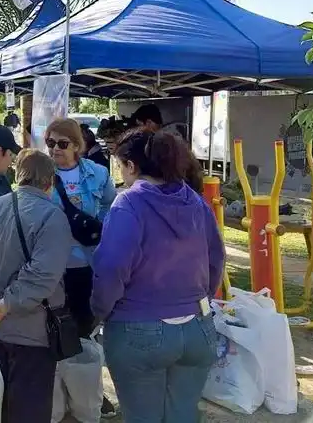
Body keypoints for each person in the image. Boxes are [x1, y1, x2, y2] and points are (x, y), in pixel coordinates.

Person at [91, 129, 225, 423]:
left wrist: (100, 311)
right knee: (183, 416)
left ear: (131, 166)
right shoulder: (195, 201)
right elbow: (216, 259)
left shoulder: (129, 203)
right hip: (197, 328)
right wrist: (200, 300)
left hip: (137, 328)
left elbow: (112, 267)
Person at [0, 149, 73, 423]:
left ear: (17, 176)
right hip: (32, 336)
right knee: (28, 413)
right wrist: (5, 305)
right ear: (50, 182)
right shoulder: (51, 216)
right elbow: (42, 275)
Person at [45, 117, 117, 418]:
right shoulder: (41, 174)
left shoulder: (98, 174)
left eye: (62, 144)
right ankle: (57, 393)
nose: (55, 150)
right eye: (50, 143)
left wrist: (93, 227)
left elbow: (111, 209)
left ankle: (88, 391)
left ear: (77, 146)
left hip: (87, 264)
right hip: (52, 265)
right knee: (52, 328)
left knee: (86, 328)